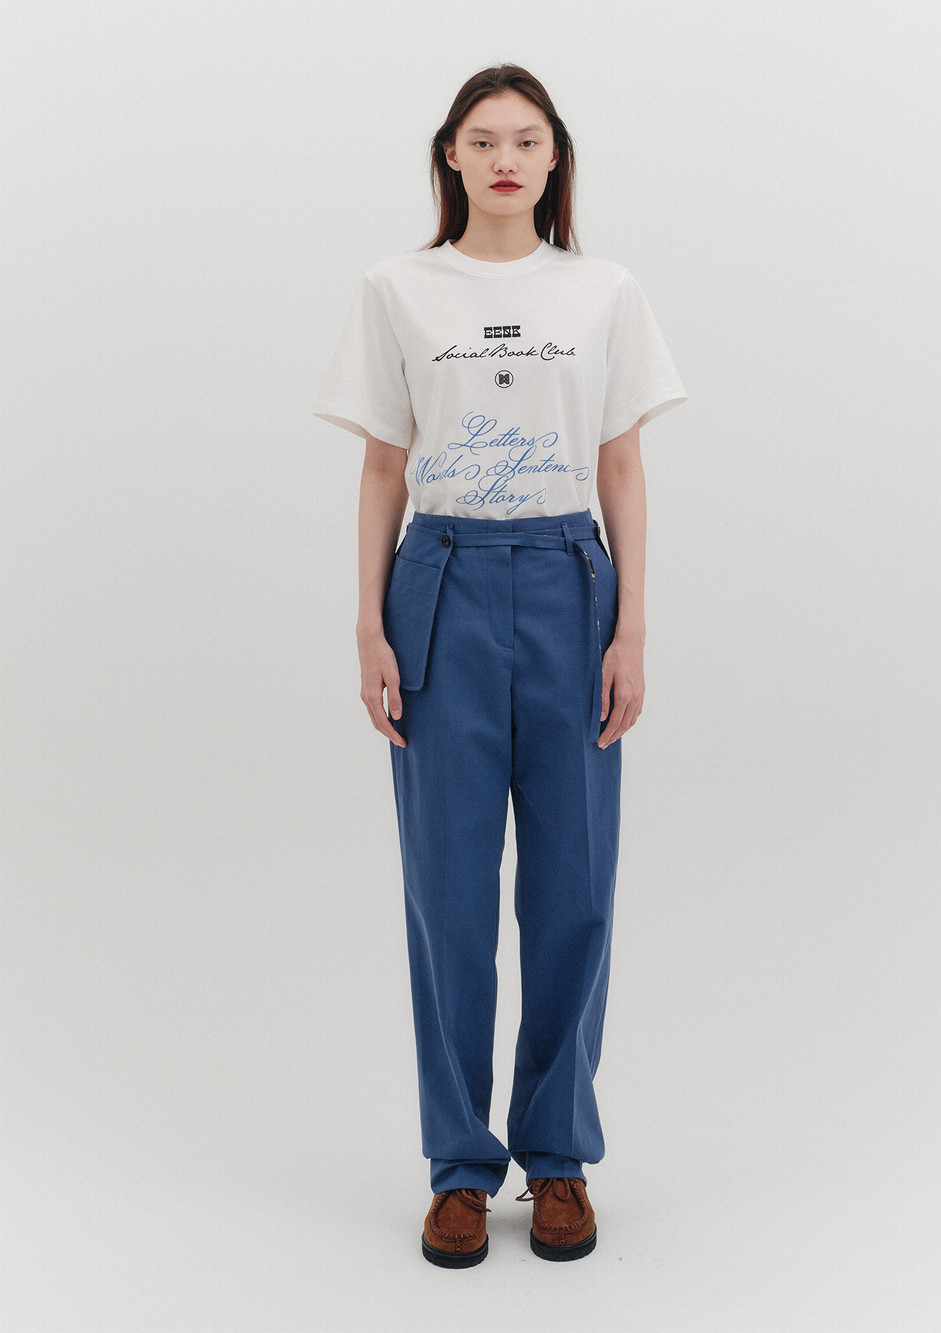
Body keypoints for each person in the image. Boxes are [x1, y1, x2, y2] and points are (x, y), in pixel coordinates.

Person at [311, 62, 688, 1268]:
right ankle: (458, 1169)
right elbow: (384, 464)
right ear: (451, 156)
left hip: (571, 579)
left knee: (575, 885)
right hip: (443, 578)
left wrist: (630, 628)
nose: (506, 158)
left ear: (555, 156)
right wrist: (369, 623)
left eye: (527, 138)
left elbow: (620, 462)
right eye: (483, 139)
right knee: (449, 893)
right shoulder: (397, 287)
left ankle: (559, 1153)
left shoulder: (604, 290)